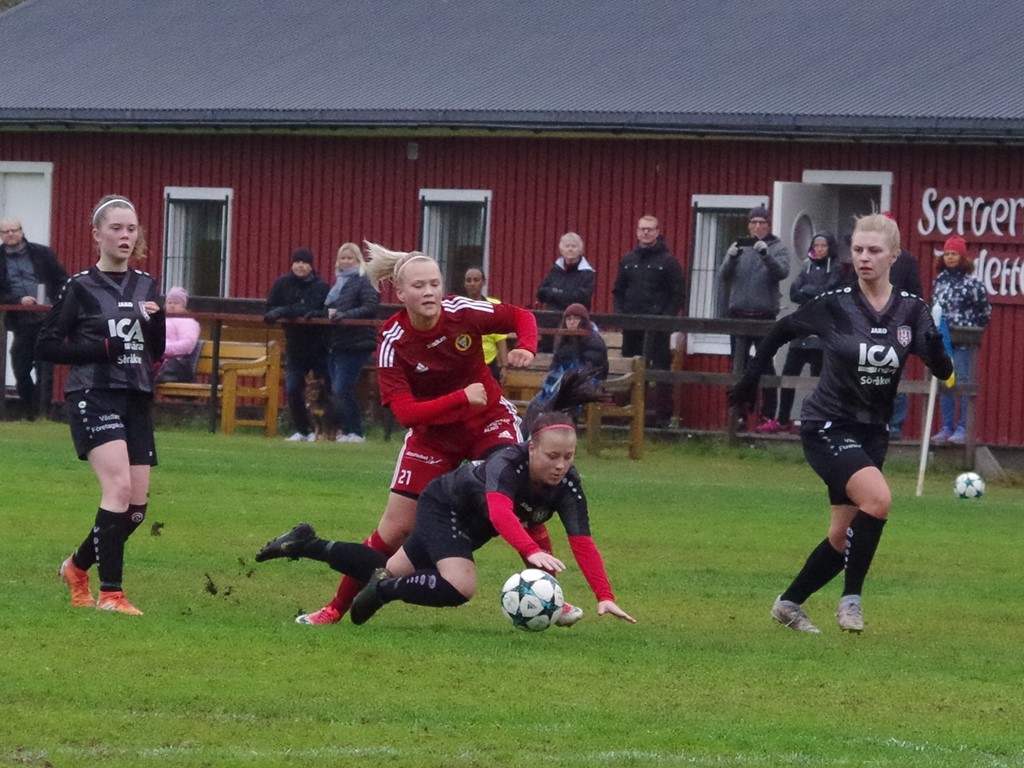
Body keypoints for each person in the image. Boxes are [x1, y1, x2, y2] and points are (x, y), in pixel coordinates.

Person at [293, 242, 590, 627]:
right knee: (394, 529)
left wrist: (528, 349)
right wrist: (459, 398)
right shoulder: (392, 340)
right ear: (400, 294)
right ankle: (335, 608)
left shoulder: (462, 311)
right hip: (432, 436)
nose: (430, 291)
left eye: (435, 283)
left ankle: (551, 597)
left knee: (521, 499)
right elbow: (404, 412)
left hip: (488, 421)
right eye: (419, 286)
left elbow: (521, 317)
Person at [255, 370, 636, 627]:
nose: (561, 465)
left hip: (467, 524)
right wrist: (529, 550)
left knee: (388, 566)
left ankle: (307, 543)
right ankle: (385, 591)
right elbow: (502, 514)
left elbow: (582, 541)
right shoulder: (507, 463)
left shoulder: (568, 484)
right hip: (445, 506)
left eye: (568, 458)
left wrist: (605, 595)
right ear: (531, 448)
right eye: (552, 457)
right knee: (460, 585)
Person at [727, 213, 953, 634]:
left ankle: (789, 603)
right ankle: (851, 601)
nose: (864, 258)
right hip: (827, 425)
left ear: (895, 256)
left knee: (840, 538)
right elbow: (780, 330)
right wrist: (751, 377)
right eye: (859, 250)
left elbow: (942, 369)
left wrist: (938, 347)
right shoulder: (836, 303)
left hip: (873, 431)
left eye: (874, 251)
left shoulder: (912, 309)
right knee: (879, 500)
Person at [36, 195, 166, 615]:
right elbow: (47, 345)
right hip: (93, 395)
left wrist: (158, 322)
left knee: (136, 511)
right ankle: (111, 594)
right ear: (97, 235)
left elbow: (155, 350)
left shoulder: (146, 284)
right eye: (116, 228)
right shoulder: (80, 286)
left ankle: (76, 566)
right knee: (118, 490)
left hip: (136, 397)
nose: (126, 236)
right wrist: (102, 348)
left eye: (131, 229)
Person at [718, 205, 791, 432]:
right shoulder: (739, 246)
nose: (758, 227)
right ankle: (738, 413)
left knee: (765, 365)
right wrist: (730, 257)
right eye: (754, 223)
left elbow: (782, 273)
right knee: (738, 365)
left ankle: (767, 415)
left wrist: (765, 255)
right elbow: (723, 276)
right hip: (738, 314)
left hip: (764, 316)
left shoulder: (778, 247)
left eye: (762, 223)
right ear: (748, 225)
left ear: (768, 225)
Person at [611, 215, 685, 426]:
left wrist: (665, 317)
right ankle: (627, 413)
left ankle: (661, 417)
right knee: (630, 369)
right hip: (632, 327)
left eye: (650, 229)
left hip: (658, 328)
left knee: (660, 370)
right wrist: (621, 314)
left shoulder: (668, 261)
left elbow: (679, 294)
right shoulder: (628, 260)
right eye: (642, 229)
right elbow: (618, 290)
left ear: (657, 232)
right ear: (637, 232)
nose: (646, 233)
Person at [0, 216, 68, 419]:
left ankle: (42, 414)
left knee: (45, 368)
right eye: (6, 232)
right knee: (19, 366)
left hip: (46, 319)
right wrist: (18, 299)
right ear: (2, 236)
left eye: (15, 230)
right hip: (20, 322)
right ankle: (30, 408)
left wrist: (56, 302)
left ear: (22, 232)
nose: (11, 234)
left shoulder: (41, 253)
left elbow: (61, 279)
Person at [775, 232, 844, 433]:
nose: (820, 249)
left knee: (819, 380)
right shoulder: (806, 267)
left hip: (822, 335)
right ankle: (782, 419)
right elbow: (794, 293)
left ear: (830, 247)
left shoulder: (837, 269)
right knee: (789, 375)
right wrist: (812, 293)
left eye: (823, 245)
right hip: (801, 332)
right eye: (816, 246)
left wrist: (810, 291)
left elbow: (829, 292)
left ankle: (819, 420)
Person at [930, 235, 991, 445]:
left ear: (962, 256)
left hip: (965, 342)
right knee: (946, 380)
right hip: (943, 340)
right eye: (946, 254)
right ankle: (947, 426)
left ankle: (964, 427)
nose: (949, 257)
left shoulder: (972, 284)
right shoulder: (939, 281)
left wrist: (972, 329)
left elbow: (984, 311)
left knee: (963, 381)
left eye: (954, 253)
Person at [264, 248, 330, 442]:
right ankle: (302, 430)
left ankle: (325, 431)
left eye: (305, 262)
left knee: (323, 390)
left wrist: (285, 310)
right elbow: (269, 308)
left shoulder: (320, 286)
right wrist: (279, 312)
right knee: (292, 388)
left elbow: (310, 308)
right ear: (292, 264)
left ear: (311, 266)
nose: (300, 265)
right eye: (297, 262)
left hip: (319, 345)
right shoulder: (282, 284)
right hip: (294, 344)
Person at [318, 242, 380, 443]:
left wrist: (346, 315)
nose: (345, 261)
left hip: (356, 342)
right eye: (342, 258)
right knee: (337, 388)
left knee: (342, 387)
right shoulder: (338, 285)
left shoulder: (364, 280)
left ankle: (356, 431)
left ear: (358, 260)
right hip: (336, 341)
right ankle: (345, 431)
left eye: (349, 258)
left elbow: (370, 306)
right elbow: (330, 308)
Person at [525, 303, 608, 429]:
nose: (572, 322)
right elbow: (555, 366)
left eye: (576, 318)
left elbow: (591, 369)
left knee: (556, 401)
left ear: (583, 321)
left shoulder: (593, 339)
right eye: (569, 319)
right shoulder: (563, 339)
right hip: (562, 382)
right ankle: (527, 438)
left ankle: (557, 431)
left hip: (586, 384)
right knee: (534, 405)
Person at [535, 232, 596, 353]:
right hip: (550, 321)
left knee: (570, 351)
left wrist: (554, 292)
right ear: (561, 249)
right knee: (546, 352)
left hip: (574, 322)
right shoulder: (555, 269)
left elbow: (581, 297)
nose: (570, 249)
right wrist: (563, 294)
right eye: (567, 246)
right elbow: (541, 292)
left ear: (580, 249)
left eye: (574, 246)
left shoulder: (587, 273)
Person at [463, 266, 507, 381]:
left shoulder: (494, 306)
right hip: (466, 364)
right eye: (468, 280)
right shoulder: (459, 306)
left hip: (489, 363)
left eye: (476, 280)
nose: (472, 283)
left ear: (484, 282)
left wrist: (504, 367)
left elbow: (500, 340)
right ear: (465, 284)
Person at [154, 286, 201, 383]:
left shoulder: (188, 322)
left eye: (176, 303)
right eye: (169, 302)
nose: (172, 305)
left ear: (183, 305)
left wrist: (163, 348)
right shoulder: (158, 319)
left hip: (173, 365)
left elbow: (187, 345)